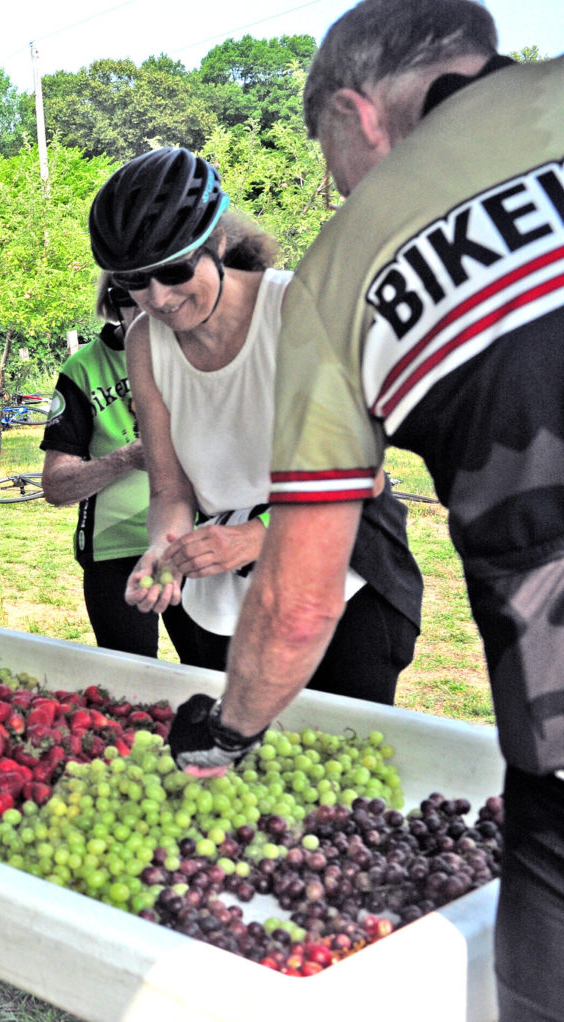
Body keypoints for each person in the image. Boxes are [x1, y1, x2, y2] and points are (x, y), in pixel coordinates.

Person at [158, 4, 564, 1018]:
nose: (335, 182)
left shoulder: (341, 272)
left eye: (326, 152)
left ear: (357, 114)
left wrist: (232, 734)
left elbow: (299, 599)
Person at [88, 146, 422, 702]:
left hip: (342, 578)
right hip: (223, 598)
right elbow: (170, 487)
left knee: (338, 763)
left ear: (218, 242)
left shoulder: (301, 308)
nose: (160, 298)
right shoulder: (144, 341)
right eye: (134, 282)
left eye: (174, 270)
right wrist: (164, 548)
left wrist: (257, 538)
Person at [39, 274, 194, 659]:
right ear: (111, 301)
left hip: (193, 542)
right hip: (115, 551)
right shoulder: (84, 368)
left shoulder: (198, 350)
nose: (147, 305)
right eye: (127, 295)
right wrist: (128, 457)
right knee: (129, 683)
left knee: (214, 676)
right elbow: (55, 487)